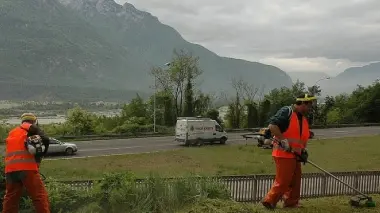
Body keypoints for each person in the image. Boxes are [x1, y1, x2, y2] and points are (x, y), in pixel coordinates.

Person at [261, 94, 316, 209]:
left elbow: (300, 138)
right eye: (309, 106)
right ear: (302, 103)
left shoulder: (302, 118)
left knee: (295, 180)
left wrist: (303, 151)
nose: (310, 109)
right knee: (284, 180)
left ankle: (291, 202)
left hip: (296, 154)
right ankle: (269, 200)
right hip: (283, 153)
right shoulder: (287, 111)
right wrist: (282, 139)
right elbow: (272, 126)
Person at [2, 113, 51, 213]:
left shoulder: (12, 132)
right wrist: (41, 155)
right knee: (39, 196)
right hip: (26, 168)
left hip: (10, 170)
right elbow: (46, 139)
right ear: (33, 121)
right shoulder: (30, 127)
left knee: (11, 198)